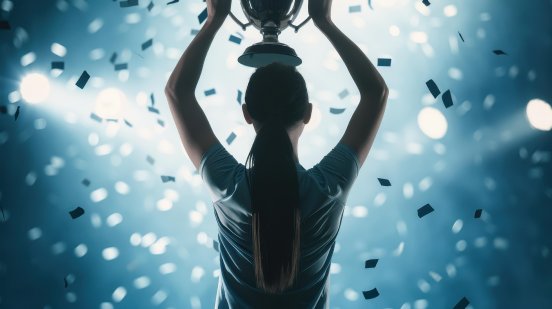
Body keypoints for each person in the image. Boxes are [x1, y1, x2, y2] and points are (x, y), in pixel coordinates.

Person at [164, 0, 388, 307]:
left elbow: (177, 92)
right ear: (308, 113)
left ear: (247, 113)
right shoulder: (328, 190)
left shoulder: (229, 188)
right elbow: (377, 94)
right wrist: (324, 21)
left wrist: (213, 19)